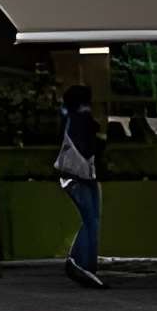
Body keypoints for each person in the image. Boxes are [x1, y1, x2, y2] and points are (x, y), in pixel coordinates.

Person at [56, 83, 105, 289]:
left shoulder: (71, 118)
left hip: (77, 176)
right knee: (90, 220)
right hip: (81, 176)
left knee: (90, 220)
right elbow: (88, 148)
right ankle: (80, 262)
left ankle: (85, 265)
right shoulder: (81, 120)